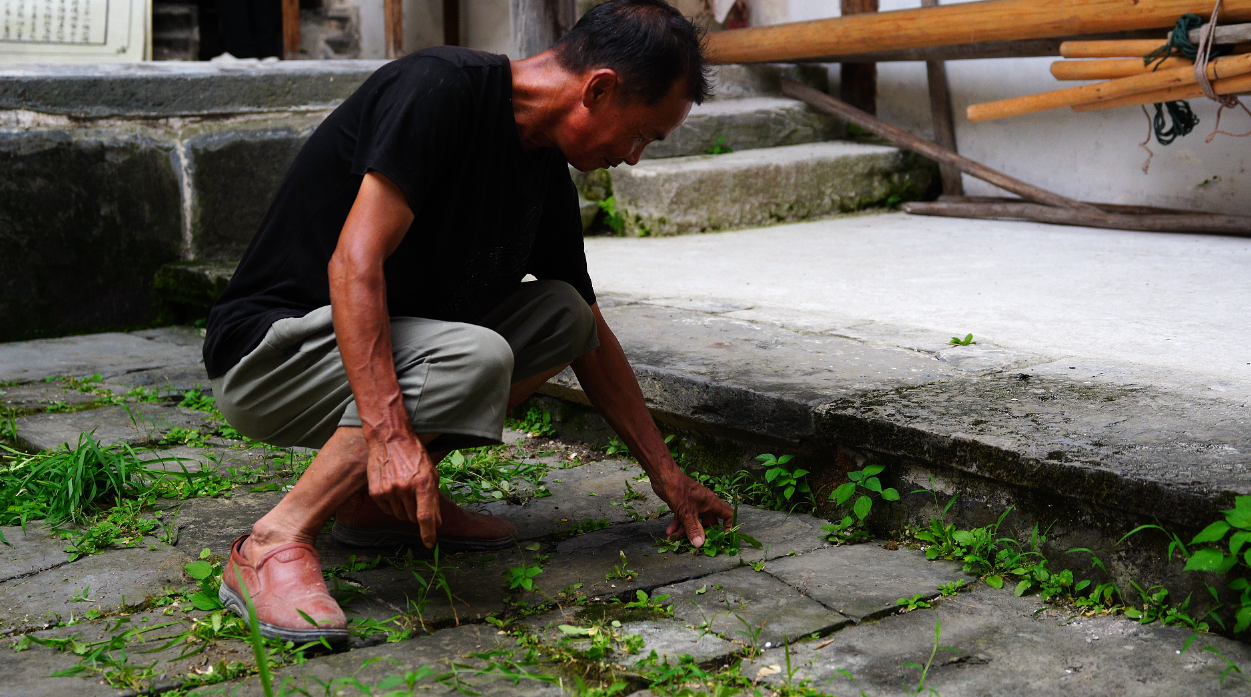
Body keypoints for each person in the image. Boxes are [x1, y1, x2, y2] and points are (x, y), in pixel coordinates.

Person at [201, 0, 735, 644]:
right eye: (642, 134)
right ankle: (273, 540)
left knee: (564, 314)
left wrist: (667, 476)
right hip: (270, 356)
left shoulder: (544, 171)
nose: (634, 157)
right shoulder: (438, 89)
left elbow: (590, 336)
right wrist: (389, 436)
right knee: (477, 355)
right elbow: (354, 264)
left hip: (370, 355)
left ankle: (371, 504)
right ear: (598, 89)